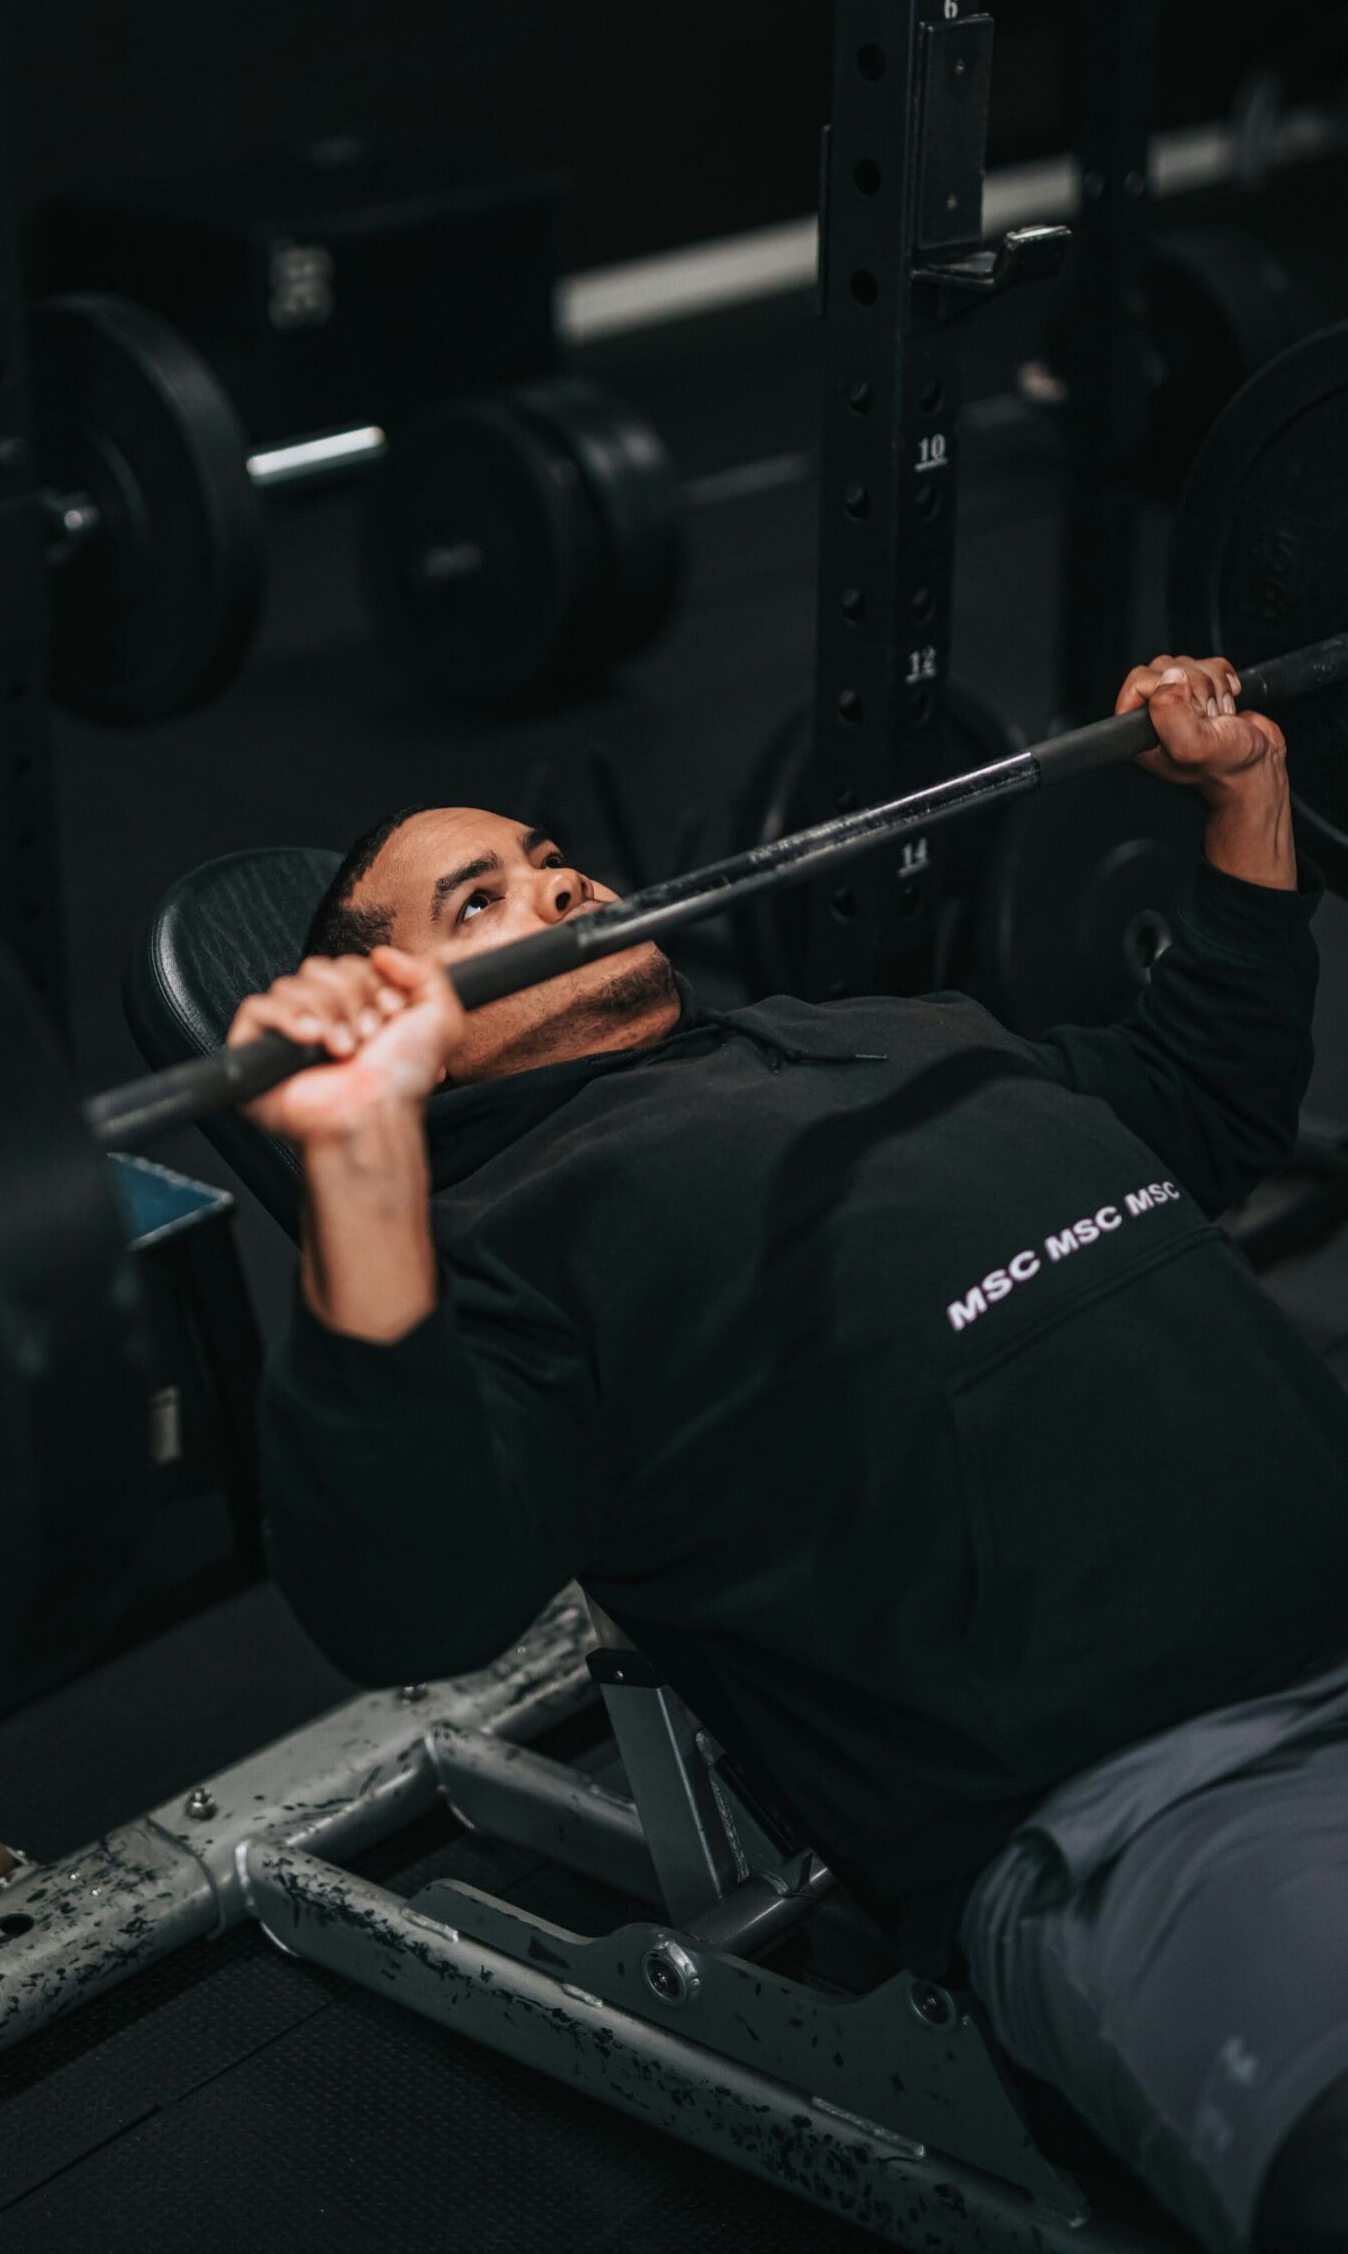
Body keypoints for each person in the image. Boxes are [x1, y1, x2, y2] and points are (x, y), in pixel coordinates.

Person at [227, 654, 1348, 2254]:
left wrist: (1248, 795)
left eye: (551, 860)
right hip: (1162, 1806)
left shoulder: (879, 1030)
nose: (564, 887)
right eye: (481, 904)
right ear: (414, 1025)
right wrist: (358, 1172)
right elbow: (413, 1595)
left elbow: (1204, 1106)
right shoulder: (493, 1246)